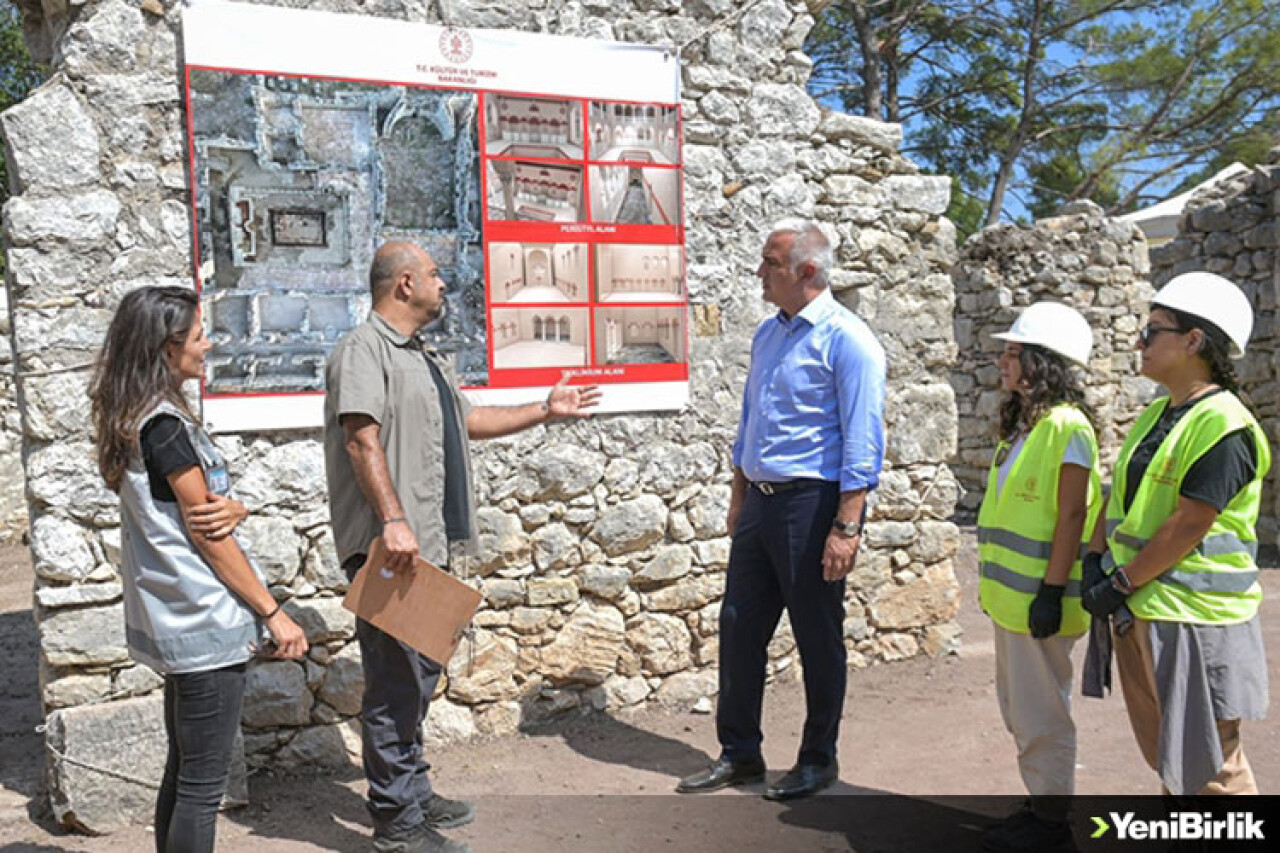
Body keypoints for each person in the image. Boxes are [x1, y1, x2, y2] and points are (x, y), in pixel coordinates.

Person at [324, 242, 600, 853]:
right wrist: (393, 521)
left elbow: (467, 420)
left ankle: (415, 794)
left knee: (417, 680)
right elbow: (361, 441)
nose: (442, 284)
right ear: (402, 284)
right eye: (433, 275)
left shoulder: (424, 358)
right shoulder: (362, 351)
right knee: (396, 685)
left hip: (428, 546)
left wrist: (544, 410)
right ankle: (397, 825)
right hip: (390, 547)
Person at [89, 286, 308, 853]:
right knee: (202, 784)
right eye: (197, 336)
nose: (208, 345)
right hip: (203, 622)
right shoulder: (164, 426)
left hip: (176, 621)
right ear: (167, 349)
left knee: (184, 770)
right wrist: (274, 613)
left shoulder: (136, 418)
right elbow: (209, 536)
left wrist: (234, 506)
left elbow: (201, 510)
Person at [676, 220, 886, 800]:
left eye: (770, 264)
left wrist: (847, 525)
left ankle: (819, 758)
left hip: (813, 504)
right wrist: (739, 494)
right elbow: (751, 419)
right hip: (763, 504)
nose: (759, 274)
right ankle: (739, 753)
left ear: (808, 272)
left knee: (817, 634)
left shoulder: (849, 340)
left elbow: (862, 440)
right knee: (739, 627)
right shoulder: (769, 334)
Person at [1082, 271, 1270, 796]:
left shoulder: (1224, 424)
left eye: (1152, 331)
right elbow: (1120, 495)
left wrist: (1118, 583)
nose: (1138, 342)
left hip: (1193, 614)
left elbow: (1190, 523)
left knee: (1213, 766)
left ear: (1194, 341)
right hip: (1149, 603)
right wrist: (1095, 559)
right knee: (1176, 756)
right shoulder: (1157, 414)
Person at [976, 303, 1101, 852]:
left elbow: (1073, 514)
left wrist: (1051, 592)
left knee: (1042, 715)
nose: (1003, 361)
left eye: (1013, 352)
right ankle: (1041, 805)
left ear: (1041, 361)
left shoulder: (1068, 428)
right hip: (1012, 601)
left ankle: (1051, 825)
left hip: (1039, 601)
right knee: (1022, 712)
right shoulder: (1027, 424)